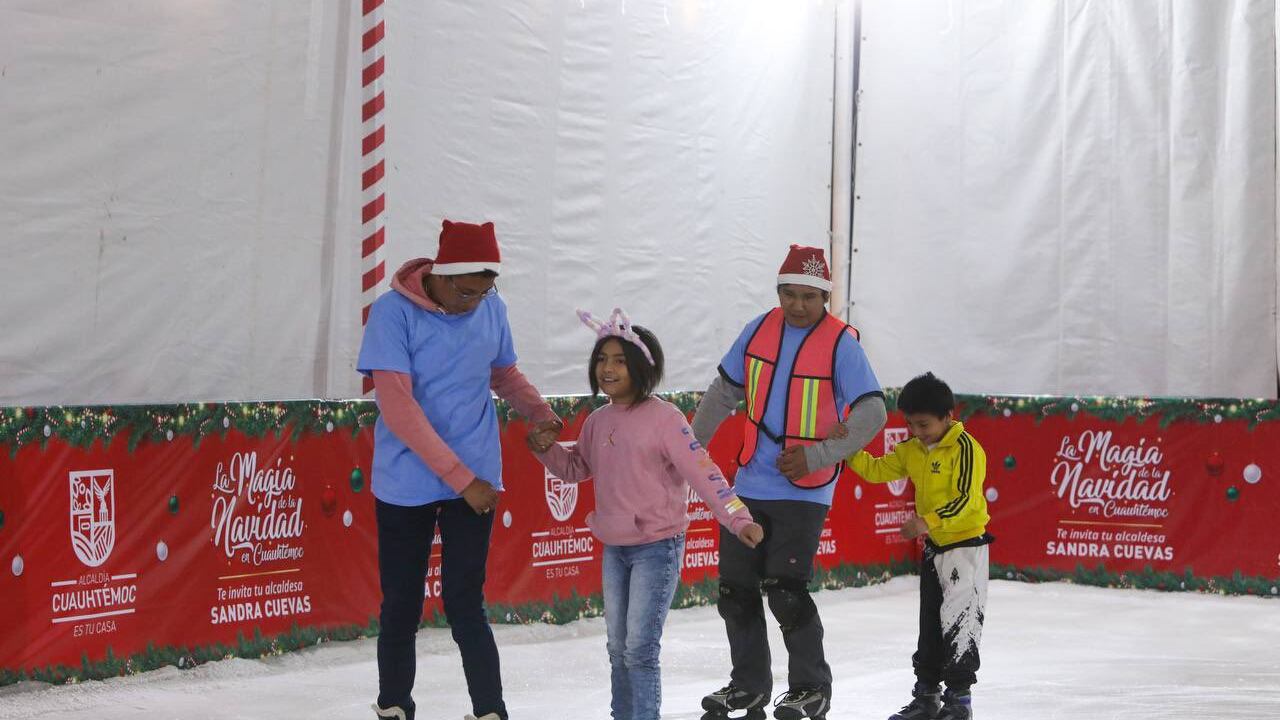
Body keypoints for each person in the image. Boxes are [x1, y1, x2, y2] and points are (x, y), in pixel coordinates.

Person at [357, 219, 563, 720]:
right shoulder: (391, 315)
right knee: (402, 603)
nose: (476, 302)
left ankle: (490, 710)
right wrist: (461, 479)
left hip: (476, 478)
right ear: (442, 277)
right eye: (468, 292)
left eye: (485, 292)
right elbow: (399, 410)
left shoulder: (491, 307)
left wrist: (540, 412)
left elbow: (502, 372)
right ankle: (394, 706)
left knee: (465, 600)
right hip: (410, 482)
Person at [525, 308, 765, 720]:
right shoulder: (597, 421)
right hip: (615, 548)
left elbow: (703, 473)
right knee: (618, 648)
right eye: (602, 359)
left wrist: (738, 518)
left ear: (641, 367)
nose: (608, 368)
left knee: (639, 648)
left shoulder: (665, 419)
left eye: (619, 360)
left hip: (657, 547)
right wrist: (545, 447)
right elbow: (575, 468)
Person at [692, 245, 887, 720]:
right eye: (789, 294)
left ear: (825, 298)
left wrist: (818, 455)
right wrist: (689, 449)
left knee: (785, 589)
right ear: (778, 292)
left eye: (809, 297)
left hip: (805, 489)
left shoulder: (842, 343)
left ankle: (811, 688)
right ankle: (749, 687)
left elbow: (873, 411)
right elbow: (724, 393)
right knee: (735, 590)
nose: (798, 305)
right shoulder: (757, 329)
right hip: (747, 484)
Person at [843, 372, 991, 720]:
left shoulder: (967, 449)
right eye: (911, 424)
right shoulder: (912, 450)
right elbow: (878, 470)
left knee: (960, 623)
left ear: (947, 417)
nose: (916, 432)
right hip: (935, 549)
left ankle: (959, 701)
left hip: (965, 549)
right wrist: (847, 447)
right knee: (930, 624)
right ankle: (926, 697)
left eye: (923, 424)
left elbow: (966, 500)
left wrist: (926, 522)